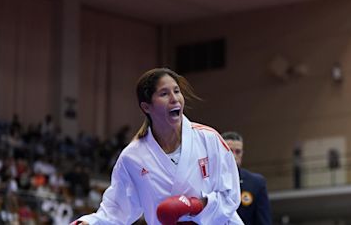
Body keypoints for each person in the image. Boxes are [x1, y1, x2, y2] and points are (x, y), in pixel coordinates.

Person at [72, 68, 243, 224]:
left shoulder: (209, 138)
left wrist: (196, 205)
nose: (175, 99)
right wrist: (88, 223)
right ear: (146, 107)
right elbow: (116, 209)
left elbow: (231, 195)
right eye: (164, 94)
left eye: (177, 91)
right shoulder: (133, 156)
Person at [222, 132, 272, 225]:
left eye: (237, 151)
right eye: (229, 151)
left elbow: (263, 221)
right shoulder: (208, 180)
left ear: (242, 153)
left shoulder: (256, 183)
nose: (234, 156)